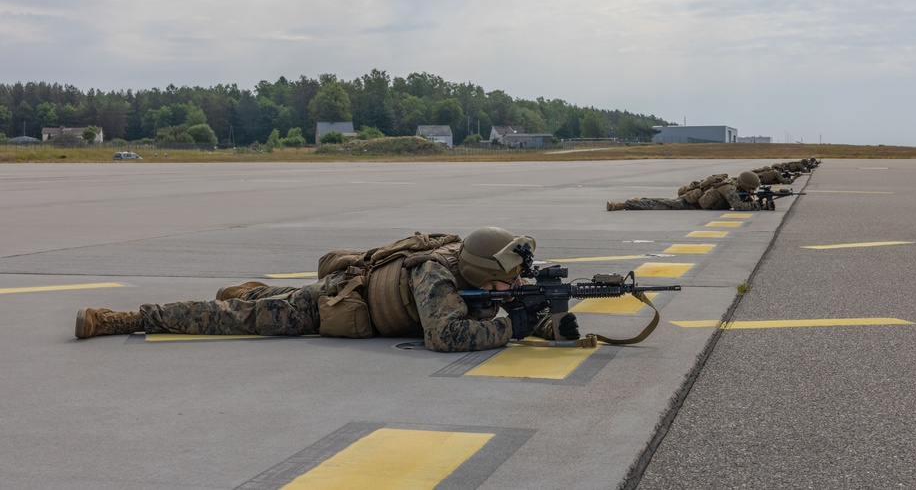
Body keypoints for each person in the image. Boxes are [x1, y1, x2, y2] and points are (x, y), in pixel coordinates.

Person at [74, 227, 580, 352]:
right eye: (506, 279)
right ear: (474, 270)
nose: (514, 286)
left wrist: (544, 323)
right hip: (335, 304)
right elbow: (444, 336)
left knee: (266, 300)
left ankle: (251, 290)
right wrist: (513, 328)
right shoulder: (436, 275)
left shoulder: (479, 280)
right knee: (243, 319)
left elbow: (496, 309)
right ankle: (125, 317)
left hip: (349, 293)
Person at [606, 171, 763, 211]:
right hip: (689, 203)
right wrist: (760, 206)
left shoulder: (735, 186)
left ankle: (637, 201)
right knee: (659, 204)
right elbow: (738, 207)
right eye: (751, 188)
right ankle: (624, 205)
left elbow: (742, 201)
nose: (752, 191)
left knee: (660, 202)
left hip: (694, 203)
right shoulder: (729, 188)